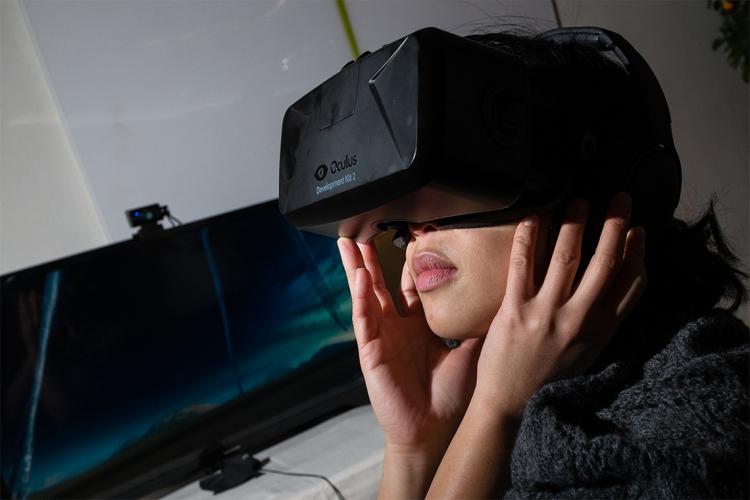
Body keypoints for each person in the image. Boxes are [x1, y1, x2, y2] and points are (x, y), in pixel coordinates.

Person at [336, 28, 749, 499]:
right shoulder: (503, 393)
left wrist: (497, 411)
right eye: (408, 203)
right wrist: (414, 445)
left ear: (597, 195)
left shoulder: (685, 437)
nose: (415, 225)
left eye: (463, 184)